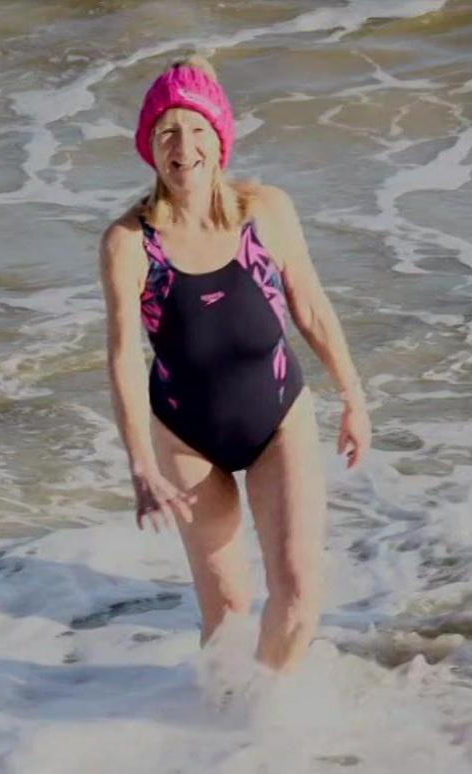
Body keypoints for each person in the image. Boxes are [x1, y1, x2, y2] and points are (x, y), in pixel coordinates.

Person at [99, 56, 370, 674]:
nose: (184, 147)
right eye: (167, 131)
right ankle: (220, 716)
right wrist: (141, 466)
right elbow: (121, 357)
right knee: (226, 611)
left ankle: (265, 713)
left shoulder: (265, 210)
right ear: (149, 146)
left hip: (278, 417)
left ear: (220, 137)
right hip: (185, 436)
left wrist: (353, 396)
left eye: (197, 129)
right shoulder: (129, 242)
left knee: (298, 595)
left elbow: (310, 304)